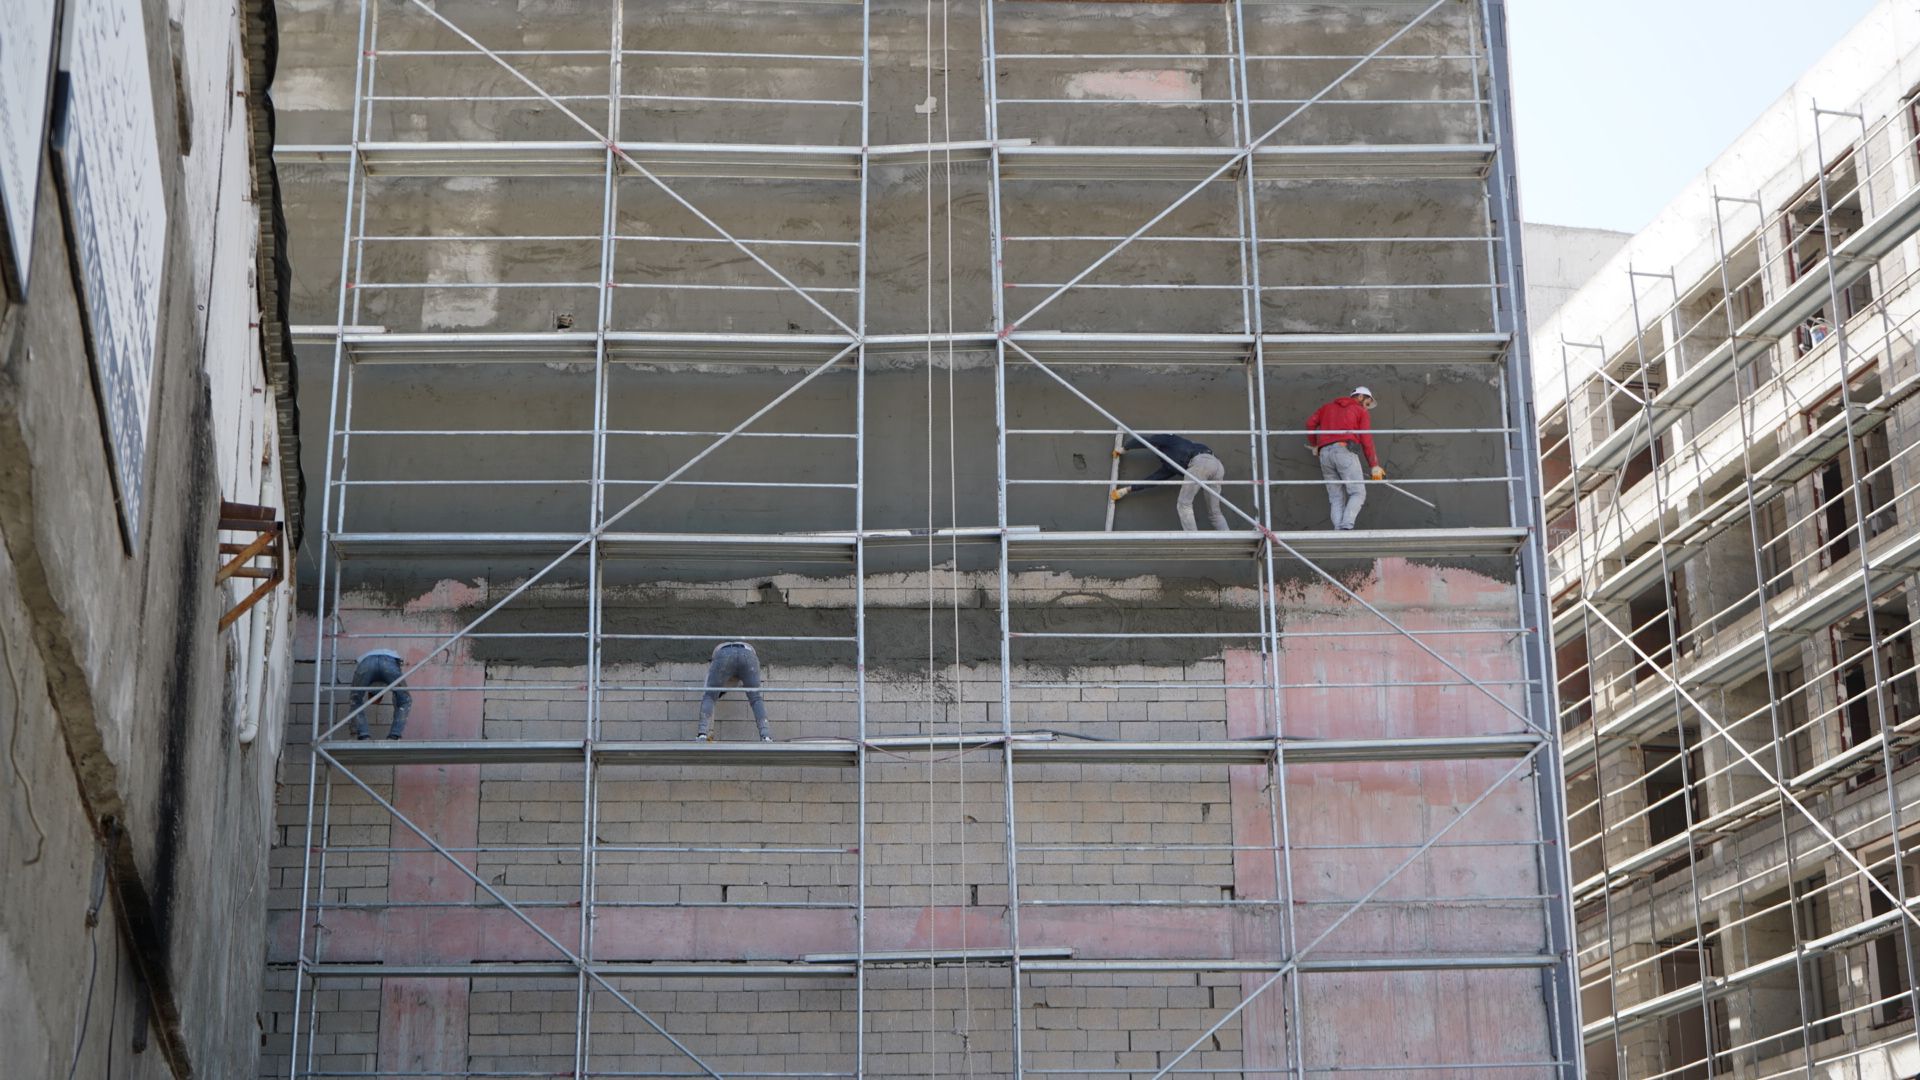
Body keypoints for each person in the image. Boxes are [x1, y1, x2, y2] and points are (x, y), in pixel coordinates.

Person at [1110, 433, 1230, 532]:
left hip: (1201, 463)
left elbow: (1144, 441)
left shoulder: (1169, 440)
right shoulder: (1170, 465)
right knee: (1215, 512)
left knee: (1184, 504)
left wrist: (1124, 448)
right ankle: (1228, 538)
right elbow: (1155, 479)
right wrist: (1125, 490)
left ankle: (1194, 538)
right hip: (1217, 466)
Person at [1306, 386, 1386, 531]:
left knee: (1336, 498)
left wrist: (1314, 445)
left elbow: (1310, 423)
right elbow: (1366, 438)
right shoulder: (1359, 411)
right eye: (1367, 403)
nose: (1367, 408)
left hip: (1325, 454)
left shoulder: (1326, 408)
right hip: (1344, 451)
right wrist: (1374, 465)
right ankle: (1346, 527)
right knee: (1357, 493)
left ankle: (1338, 530)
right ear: (1360, 397)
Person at [697, 641, 772, 742]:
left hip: (724, 655)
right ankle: (766, 736)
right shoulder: (748, 651)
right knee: (756, 698)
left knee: (710, 696)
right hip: (749, 655)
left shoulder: (717, 660)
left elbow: (709, 694)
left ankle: (702, 734)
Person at [350, 648, 412, 741]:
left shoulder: (372, 683)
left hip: (366, 662)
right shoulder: (383, 681)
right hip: (389, 661)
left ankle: (363, 735)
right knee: (404, 700)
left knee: (355, 700)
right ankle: (394, 735)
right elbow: (397, 699)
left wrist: (354, 728)